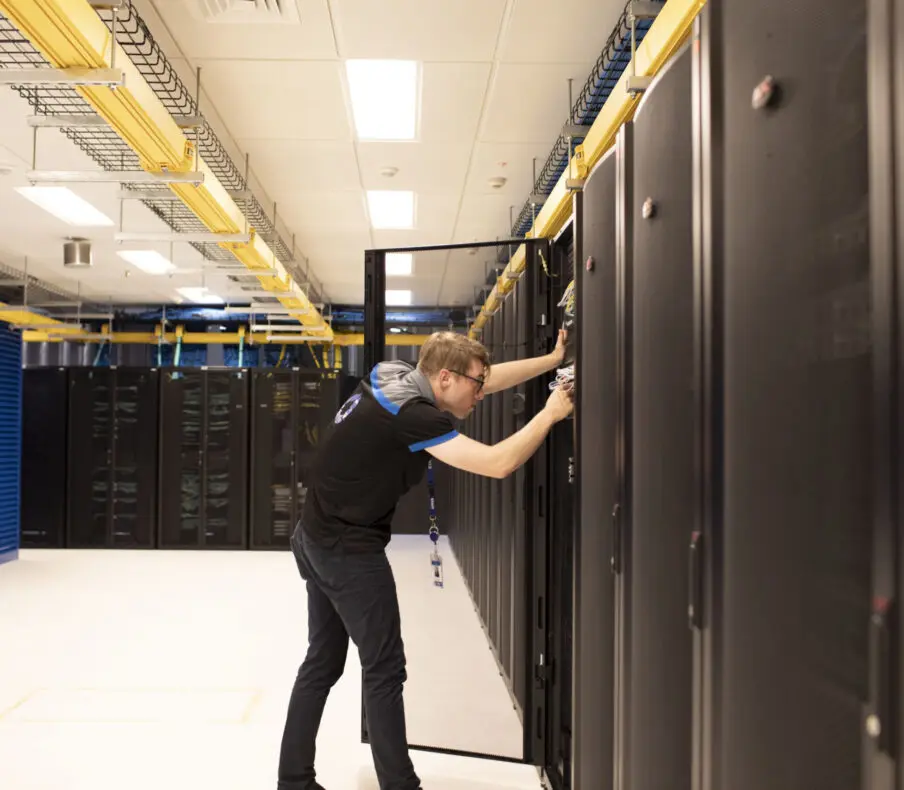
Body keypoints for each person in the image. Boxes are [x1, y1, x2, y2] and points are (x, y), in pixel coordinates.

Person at [277, 329, 574, 790]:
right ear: (445, 378)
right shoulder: (414, 419)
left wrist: (552, 359)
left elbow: (489, 379)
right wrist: (550, 414)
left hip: (314, 535)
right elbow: (497, 463)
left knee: (322, 661)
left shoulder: (393, 373)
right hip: (346, 549)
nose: (481, 392)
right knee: (384, 667)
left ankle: (293, 781)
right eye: (474, 384)